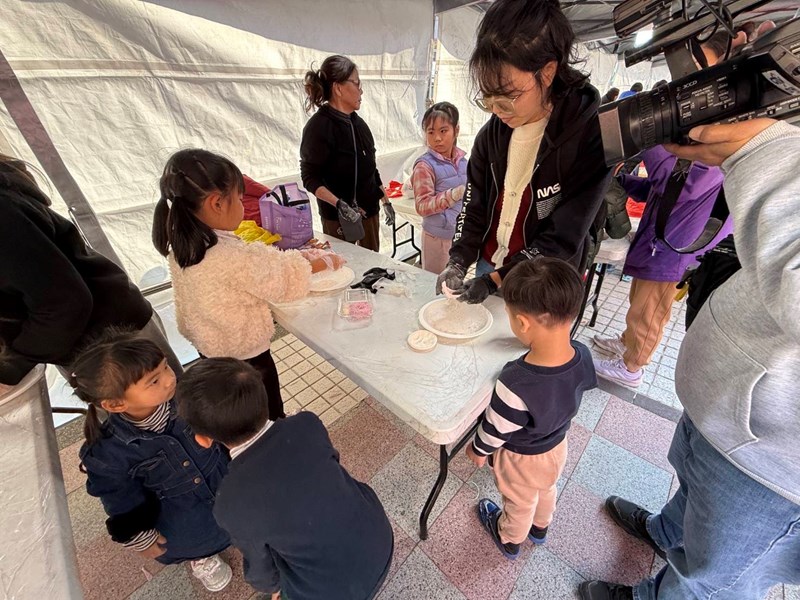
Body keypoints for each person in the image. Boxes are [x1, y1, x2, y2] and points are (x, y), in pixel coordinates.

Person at [580, 118, 800, 600]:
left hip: (772, 460)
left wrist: (765, 147)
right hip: (726, 403)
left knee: (710, 575)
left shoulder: (744, 158)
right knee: (693, 484)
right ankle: (665, 531)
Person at [436, 0, 612, 305]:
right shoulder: (492, 135)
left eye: (508, 96)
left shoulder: (590, 137)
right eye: (488, 98)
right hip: (490, 266)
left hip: (545, 280)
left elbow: (564, 235)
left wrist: (495, 280)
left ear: (548, 72)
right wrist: (459, 260)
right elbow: (474, 206)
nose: (496, 110)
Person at [177, 357, 394, 600]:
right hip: (381, 539)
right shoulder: (307, 423)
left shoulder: (229, 502)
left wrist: (275, 590)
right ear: (264, 398)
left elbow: (261, 572)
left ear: (203, 439)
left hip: (333, 592)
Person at [152, 149, 344, 420]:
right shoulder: (229, 255)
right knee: (265, 410)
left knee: (235, 412)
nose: (244, 207)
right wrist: (323, 262)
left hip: (210, 348)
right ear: (217, 203)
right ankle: (274, 431)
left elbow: (256, 266)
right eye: (240, 199)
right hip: (246, 356)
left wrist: (298, 257)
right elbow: (283, 280)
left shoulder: (185, 244)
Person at [0, 154, 181, 395]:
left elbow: (63, 302)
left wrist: (13, 366)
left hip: (110, 342)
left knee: (178, 409)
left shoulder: (5, 213)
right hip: (83, 342)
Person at [73, 331, 232, 592]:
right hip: (182, 512)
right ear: (115, 404)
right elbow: (118, 497)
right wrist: (138, 534)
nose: (170, 379)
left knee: (243, 511)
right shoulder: (107, 453)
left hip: (223, 478)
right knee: (196, 539)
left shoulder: (188, 397)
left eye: (166, 366)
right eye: (154, 380)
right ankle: (203, 556)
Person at [465, 257, 597, 559]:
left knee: (519, 500)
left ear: (522, 323)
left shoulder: (515, 382)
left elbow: (495, 429)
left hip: (520, 457)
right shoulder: (583, 355)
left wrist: (478, 450)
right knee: (547, 488)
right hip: (557, 446)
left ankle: (510, 538)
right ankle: (540, 527)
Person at [591, 146, 729, 387]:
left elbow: (677, 186)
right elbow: (657, 188)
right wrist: (623, 182)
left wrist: (651, 144)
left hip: (675, 250)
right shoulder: (697, 154)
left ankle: (632, 367)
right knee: (639, 302)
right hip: (659, 243)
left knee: (650, 312)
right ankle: (627, 344)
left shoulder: (716, 157)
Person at [300, 55, 395, 252]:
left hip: (369, 213)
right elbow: (310, 177)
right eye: (357, 83)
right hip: (338, 220)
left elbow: (371, 169)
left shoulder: (360, 125)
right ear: (338, 88)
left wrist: (385, 201)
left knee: (371, 265)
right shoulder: (318, 127)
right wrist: (339, 205)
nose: (361, 90)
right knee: (344, 265)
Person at [411, 101, 468, 273]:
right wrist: (452, 195)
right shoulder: (424, 165)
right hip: (437, 239)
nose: (437, 138)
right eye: (431, 132)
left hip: (459, 236)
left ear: (456, 130)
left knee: (455, 282)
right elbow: (422, 206)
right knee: (435, 282)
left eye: (443, 131)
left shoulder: (463, 162)